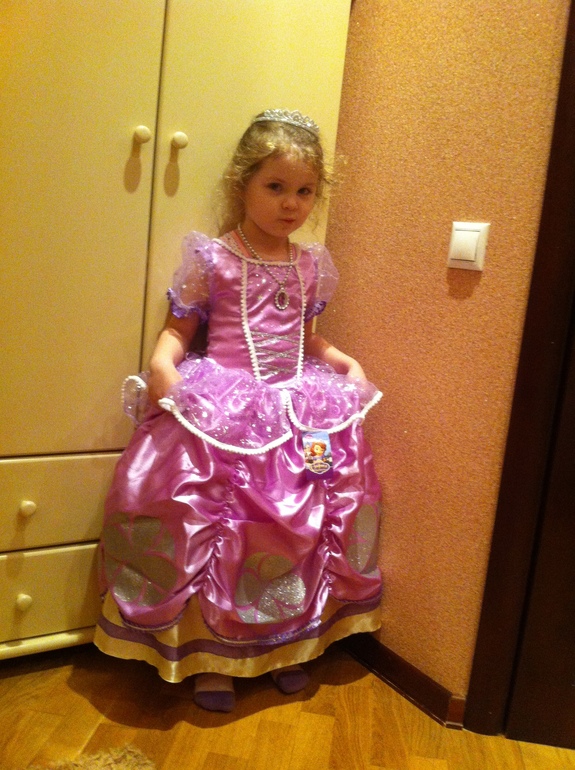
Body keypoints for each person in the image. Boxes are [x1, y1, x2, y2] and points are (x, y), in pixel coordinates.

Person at [95, 109, 383, 713]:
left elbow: (308, 340)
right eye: (275, 187)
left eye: (305, 191)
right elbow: (180, 329)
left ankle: (286, 643)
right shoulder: (214, 258)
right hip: (225, 407)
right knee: (223, 525)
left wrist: (344, 361)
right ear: (242, 184)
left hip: (296, 409)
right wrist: (163, 365)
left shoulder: (310, 264)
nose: (291, 204)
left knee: (297, 527)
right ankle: (212, 658)